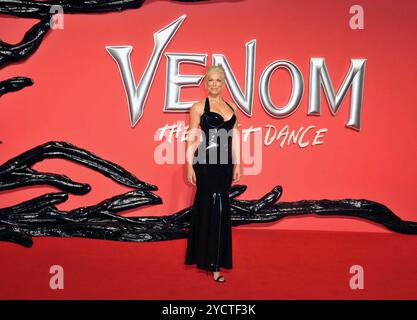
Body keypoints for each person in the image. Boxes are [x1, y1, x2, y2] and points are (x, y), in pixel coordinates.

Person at [184, 65, 241, 283]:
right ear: (205, 83)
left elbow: (235, 137)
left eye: (218, 80)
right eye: (210, 81)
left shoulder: (231, 107)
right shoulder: (198, 108)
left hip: (225, 164)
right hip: (206, 162)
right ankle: (212, 264)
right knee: (211, 206)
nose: (214, 84)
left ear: (223, 83)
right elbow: (191, 138)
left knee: (222, 207)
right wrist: (189, 166)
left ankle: (215, 260)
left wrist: (238, 164)